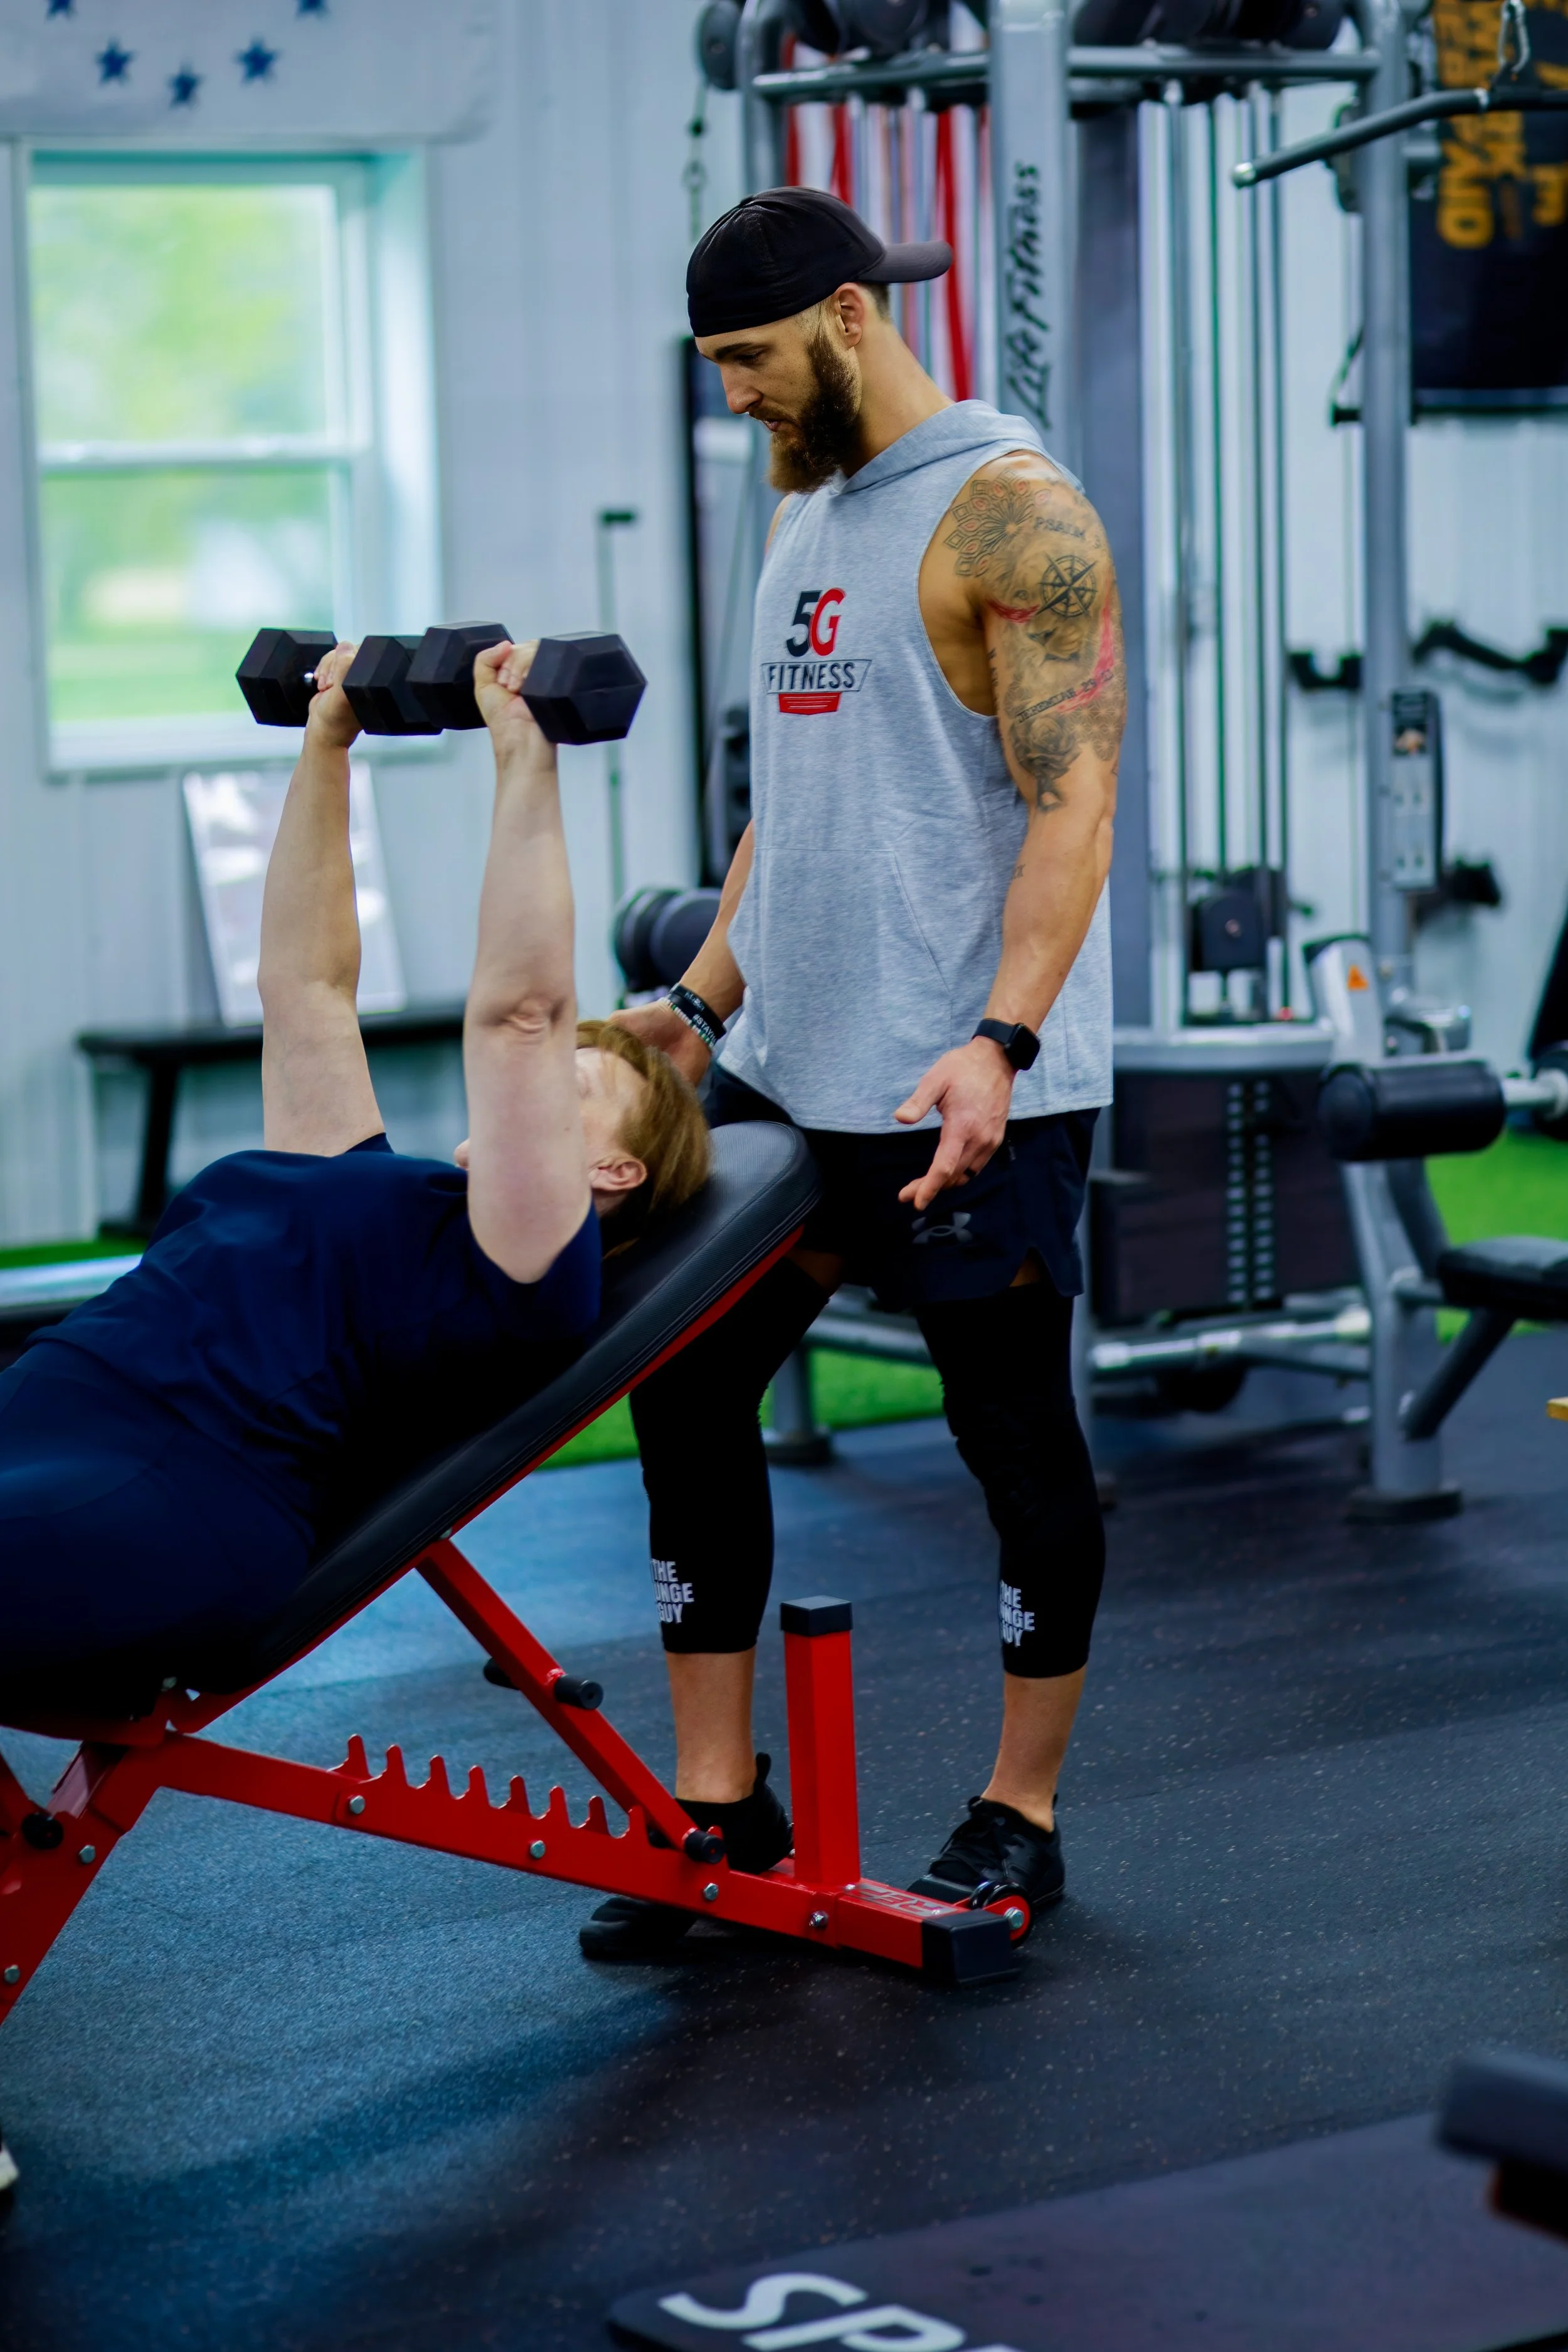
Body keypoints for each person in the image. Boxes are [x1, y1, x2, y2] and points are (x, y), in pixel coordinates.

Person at [583, 186, 1123, 1960]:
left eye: (744, 358)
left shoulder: (1016, 512)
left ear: (839, 314)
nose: (730, 394)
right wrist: (695, 998)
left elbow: (1072, 801)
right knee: (678, 1377)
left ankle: (1019, 1814)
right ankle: (721, 1803)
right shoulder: (806, 507)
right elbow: (789, 804)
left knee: (1011, 1438)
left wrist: (1001, 1038)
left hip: (963, 1088)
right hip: (786, 1069)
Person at [0, 638, 709, 1690]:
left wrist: (527, 757)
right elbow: (306, 986)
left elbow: (520, 1014)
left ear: (613, 1174)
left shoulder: (524, 1271)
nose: (536, 1076)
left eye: (580, 1078)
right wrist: (325, 740)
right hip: (59, 1404)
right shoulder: (363, 1179)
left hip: (180, 1485)